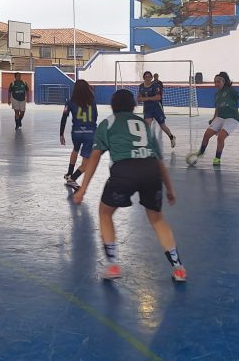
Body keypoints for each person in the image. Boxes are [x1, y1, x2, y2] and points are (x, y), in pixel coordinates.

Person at [72, 89, 187, 282]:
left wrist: (83, 189)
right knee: (158, 220)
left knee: (105, 213)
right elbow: (159, 160)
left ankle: (113, 265)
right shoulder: (143, 124)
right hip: (150, 171)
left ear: (112, 106)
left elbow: (94, 158)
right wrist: (169, 188)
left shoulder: (108, 123)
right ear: (133, 106)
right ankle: (178, 268)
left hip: (124, 171)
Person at [191, 72, 239, 165]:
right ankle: (201, 152)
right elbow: (218, 107)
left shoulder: (231, 90)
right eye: (215, 82)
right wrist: (213, 119)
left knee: (221, 137)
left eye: (218, 82)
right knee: (206, 135)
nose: (216, 84)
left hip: (232, 118)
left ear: (224, 81)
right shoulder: (217, 94)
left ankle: (217, 158)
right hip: (220, 117)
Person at [60, 79, 98, 190]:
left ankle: (69, 173)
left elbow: (64, 118)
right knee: (87, 163)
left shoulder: (70, 101)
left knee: (75, 149)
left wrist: (61, 134)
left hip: (76, 132)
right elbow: (95, 116)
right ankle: (72, 178)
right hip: (89, 133)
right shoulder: (92, 100)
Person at [137, 71, 176, 149]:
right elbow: (138, 99)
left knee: (163, 126)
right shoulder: (141, 86)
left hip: (157, 109)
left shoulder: (155, 86)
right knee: (147, 126)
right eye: (146, 77)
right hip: (147, 110)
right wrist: (148, 99)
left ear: (151, 78)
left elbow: (158, 97)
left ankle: (171, 137)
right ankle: (147, 144)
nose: (147, 78)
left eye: (149, 77)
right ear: (144, 78)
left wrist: (146, 98)